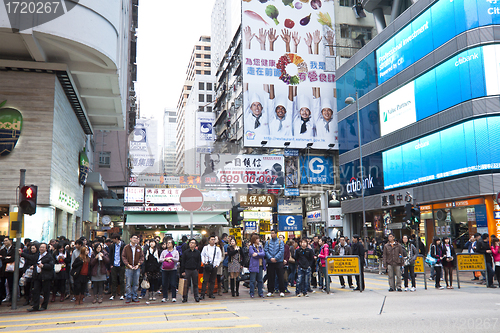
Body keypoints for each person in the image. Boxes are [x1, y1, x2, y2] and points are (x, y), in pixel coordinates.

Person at [26, 243, 54, 312]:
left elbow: (51, 266)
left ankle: (44, 306)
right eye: (40, 247)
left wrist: (43, 266)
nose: (41, 249)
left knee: (46, 291)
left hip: (45, 276)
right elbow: (30, 257)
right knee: (36, 291)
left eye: (43, 247)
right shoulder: (37, 255)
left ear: (46, 249)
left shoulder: (49, 256)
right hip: (37, 276)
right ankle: (35, 306)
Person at [122, 234, 145, 303]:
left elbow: (142, 257)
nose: (135, 239)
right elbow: (123, 257)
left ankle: (134, 296)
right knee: (128, 283)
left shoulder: (139, 248)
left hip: (136, 268)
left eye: (136, 238)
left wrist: (138, 264)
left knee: (136, 283)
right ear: (130, 239)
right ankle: (128, 297)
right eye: (134, 238)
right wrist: (128, 265)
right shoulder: (126, 247)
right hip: (128, 268)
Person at [264, 230, 285, 297]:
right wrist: (270, 258)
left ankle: (281, 290)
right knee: (270, 277)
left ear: (276, 234)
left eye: (273, 233)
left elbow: (281, 251)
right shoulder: (268, 242)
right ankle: (270, 291)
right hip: (270, 262)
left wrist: (275, 258)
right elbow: (266, 250)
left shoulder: (280, 242)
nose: (271, 234)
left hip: (278, 261)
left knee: (280, 277)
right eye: (271, 233)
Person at [200, 235, 222, 299]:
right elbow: (202, 255)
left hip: (214, 265)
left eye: (214, 239)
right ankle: (202, 294)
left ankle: (211, 293)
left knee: (212, 280)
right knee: (205, 280)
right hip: (207, 265)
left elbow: (219, 257)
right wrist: (204, 262)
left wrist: (217, 264)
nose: (213, 241)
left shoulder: (217, 248)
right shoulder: (205, 248)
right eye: (212, 239)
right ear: (209, 241)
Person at [180, 238, 201, 303]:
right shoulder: (186, 252)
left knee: (195, 284)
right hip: (187, 270)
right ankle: (185, 297)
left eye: (193, 243)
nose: (191, 244)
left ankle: (196, 297)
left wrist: (197, 268)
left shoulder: (197, 252)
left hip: (194, 270)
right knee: (186, 285)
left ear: (195, 244)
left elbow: (199, 261)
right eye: (190, 243)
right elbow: (183, 262)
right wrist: (182, 271)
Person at [108, 233, 126, 301]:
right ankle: (113, 294)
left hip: (121, 265)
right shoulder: (112, 246)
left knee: (121, 280)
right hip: (114, 265)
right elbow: (111, 255)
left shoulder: (123, 245)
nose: (112, 241)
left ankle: (122, 294)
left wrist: (123, 263)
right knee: (113, 280)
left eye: (113, 239)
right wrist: (111, 264)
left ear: (116, 239)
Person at [0, 237, 15, 304]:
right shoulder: (2, 250)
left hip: (11, 269)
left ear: (10, 241)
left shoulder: (14, 249)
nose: (4, 242)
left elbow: (12, 259)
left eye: (6, 240)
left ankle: (12, 300)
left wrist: (5, 258)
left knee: (11, 285)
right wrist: (6, 258)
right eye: (4, 241)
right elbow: (2, 258)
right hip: (3, 270)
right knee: (1, 284)